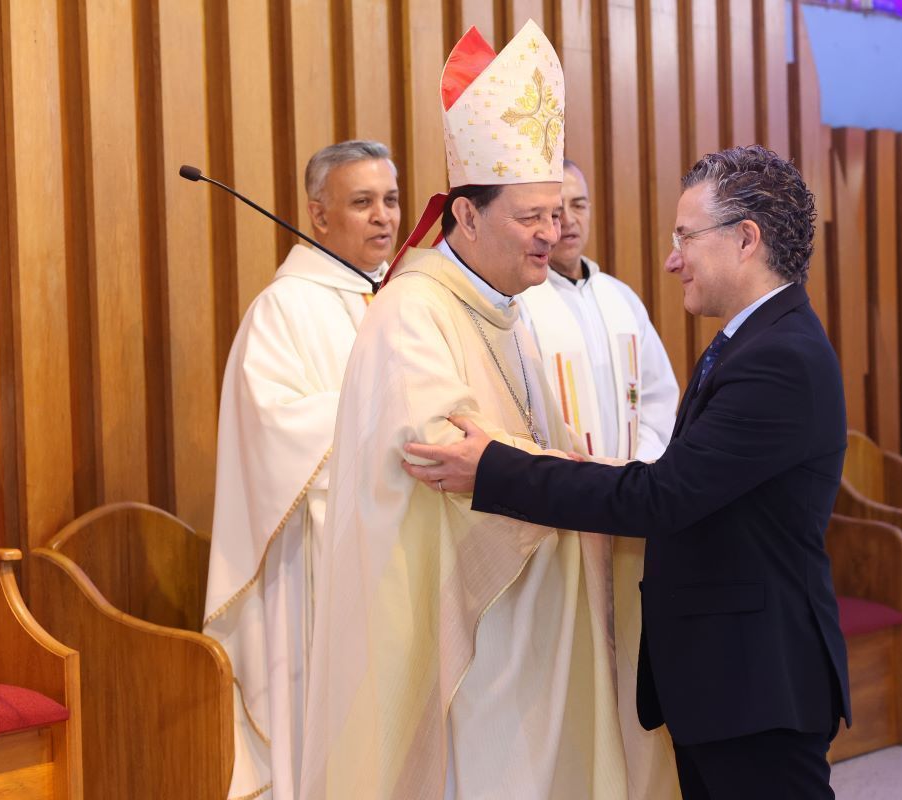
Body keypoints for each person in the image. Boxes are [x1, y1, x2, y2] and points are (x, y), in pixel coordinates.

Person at [299, 21, 677, 800]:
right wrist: (575, 477)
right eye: (530, 216)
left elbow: (522, 446)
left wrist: (585, 474)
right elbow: (440, 455)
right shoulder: (413, 312)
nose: (552, 233)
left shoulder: (510, 310)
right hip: (480, 634)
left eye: (556, 213)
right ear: (465, 218)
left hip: (543, 616)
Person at [405, 144, 853, 799]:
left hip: (756, 680)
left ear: (746, 239)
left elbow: (663, 499)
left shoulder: (778, 358)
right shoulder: (756, 340)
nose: (673, 258)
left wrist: (495, 470)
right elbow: (693, 482)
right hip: (728, 679)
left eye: (686, 237)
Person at [202, 140, 400, 800]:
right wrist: (390, 417)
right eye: (362, 202)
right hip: (319, 557)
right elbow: (275, 430)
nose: (383, 217)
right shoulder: (284, 309)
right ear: (318, 216)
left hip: (398, 548)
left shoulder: (404, 302)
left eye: (392, 200)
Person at [518, 160, 678, 461]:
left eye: (578, 205)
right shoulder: (522, 303)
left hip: (630, 488)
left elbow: (657, 398)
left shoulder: (621, 298)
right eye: (555, 211)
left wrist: (637, 470)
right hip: (561, 487)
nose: (567, 220)